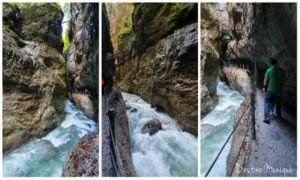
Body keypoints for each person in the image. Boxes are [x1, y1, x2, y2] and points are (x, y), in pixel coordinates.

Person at [263, 58, 286, 124]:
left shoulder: (269, 70)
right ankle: (277, 115)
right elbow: (283, 80)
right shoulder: (281, 70)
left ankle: (267, 117)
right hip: (278, 90)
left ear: (271, 64)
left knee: (267, 102)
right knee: (276, 102)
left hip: (270, 90)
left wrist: (264, 87)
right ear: (277, 63)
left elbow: (266, 79)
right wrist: (279, 84)